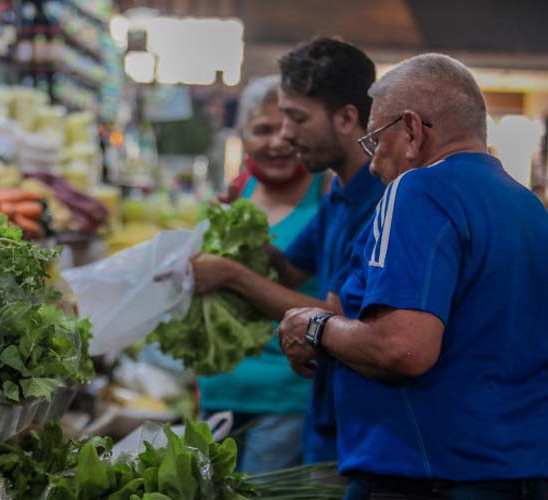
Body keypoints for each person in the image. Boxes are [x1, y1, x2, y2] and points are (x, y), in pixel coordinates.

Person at [278, 53, 548, 499]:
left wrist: (314, 326)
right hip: (518, 473)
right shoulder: (527, 206)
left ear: (411, 130)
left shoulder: (419, 189)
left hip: (430, 476)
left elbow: (403, 347)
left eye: (374, 141)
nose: (372, 164)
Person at [192, 37, 383, 462]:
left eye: (296, 118)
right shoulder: (340, 196)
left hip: (348, 424)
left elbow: (332, 315)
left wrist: (229, 273)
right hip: (322, 411)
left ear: (348, 119)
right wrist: (235, 234)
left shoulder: (375, 203)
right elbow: (289, 270)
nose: (286, 135)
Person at [198, 75, 327, 473]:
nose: (275, 143)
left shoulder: (328, 194)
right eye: (262, 130)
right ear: (244, 136)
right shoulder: (238, 192)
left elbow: (332, 311)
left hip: (287, 397)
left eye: (285, 130)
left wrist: (230, 273)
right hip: (219, 389)